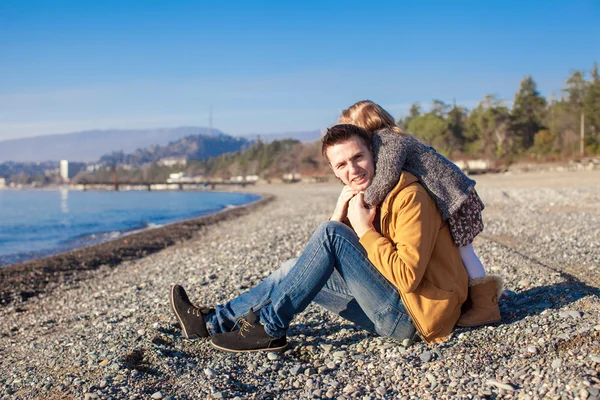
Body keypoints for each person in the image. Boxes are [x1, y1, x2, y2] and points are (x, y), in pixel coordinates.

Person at [170, 124, 468, 352]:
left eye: (358, 157)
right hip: (392, 301)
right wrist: (340, 212)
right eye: (341, 165)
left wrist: (364, 230)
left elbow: (406, 277)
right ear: (333, 171)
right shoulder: (368, 198)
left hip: (414, 317)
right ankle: (210, 323)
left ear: (373, 154)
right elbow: (321, 259)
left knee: (329, 234)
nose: (353, 170)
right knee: (291, 267)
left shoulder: (408, 196)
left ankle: (271, 328)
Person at [338, 100, 502, 327]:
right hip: (454, 195)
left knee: (465, 252)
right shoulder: (393, 138)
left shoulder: (388, 141)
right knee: (459, 252)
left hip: (455, 199)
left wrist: (364, 202)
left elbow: (386, 176)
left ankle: (486, 307)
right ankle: (473, 299)